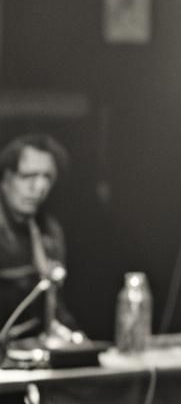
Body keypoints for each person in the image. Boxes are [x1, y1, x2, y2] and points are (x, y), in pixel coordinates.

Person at [0, 134, 78, 344]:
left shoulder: (50, 231)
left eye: (47, 177)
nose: (39, 188)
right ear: (5, 178)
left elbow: (56, 307)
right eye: (28, 176)